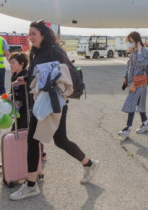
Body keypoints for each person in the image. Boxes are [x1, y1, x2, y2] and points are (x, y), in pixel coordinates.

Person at [9, 20, 99, 201]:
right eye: (29, 33)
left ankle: (31, 184)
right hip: (44, 102)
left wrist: (54, 84)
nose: (30, 37)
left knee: (33, 140)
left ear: (43, 34)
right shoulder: (36, 52)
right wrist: (26, 79)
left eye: (34, 33)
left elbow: (69, 73)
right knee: (60, 140)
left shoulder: (54, 50)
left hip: (52, 102)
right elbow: (40, 74)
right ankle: (89, 163)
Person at [118, 32, 148, 138]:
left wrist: (140, 51)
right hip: (133, 82)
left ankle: (127, 129)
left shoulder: (144, 51)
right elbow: (129, 65)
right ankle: (145, 124)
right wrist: (125, 77)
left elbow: (142, 64)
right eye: (129, 41)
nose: (130, 43)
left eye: (131, 41)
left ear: (137, 41)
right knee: (139, 104)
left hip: (139, 83)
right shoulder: (133, 51)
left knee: (131, 104)